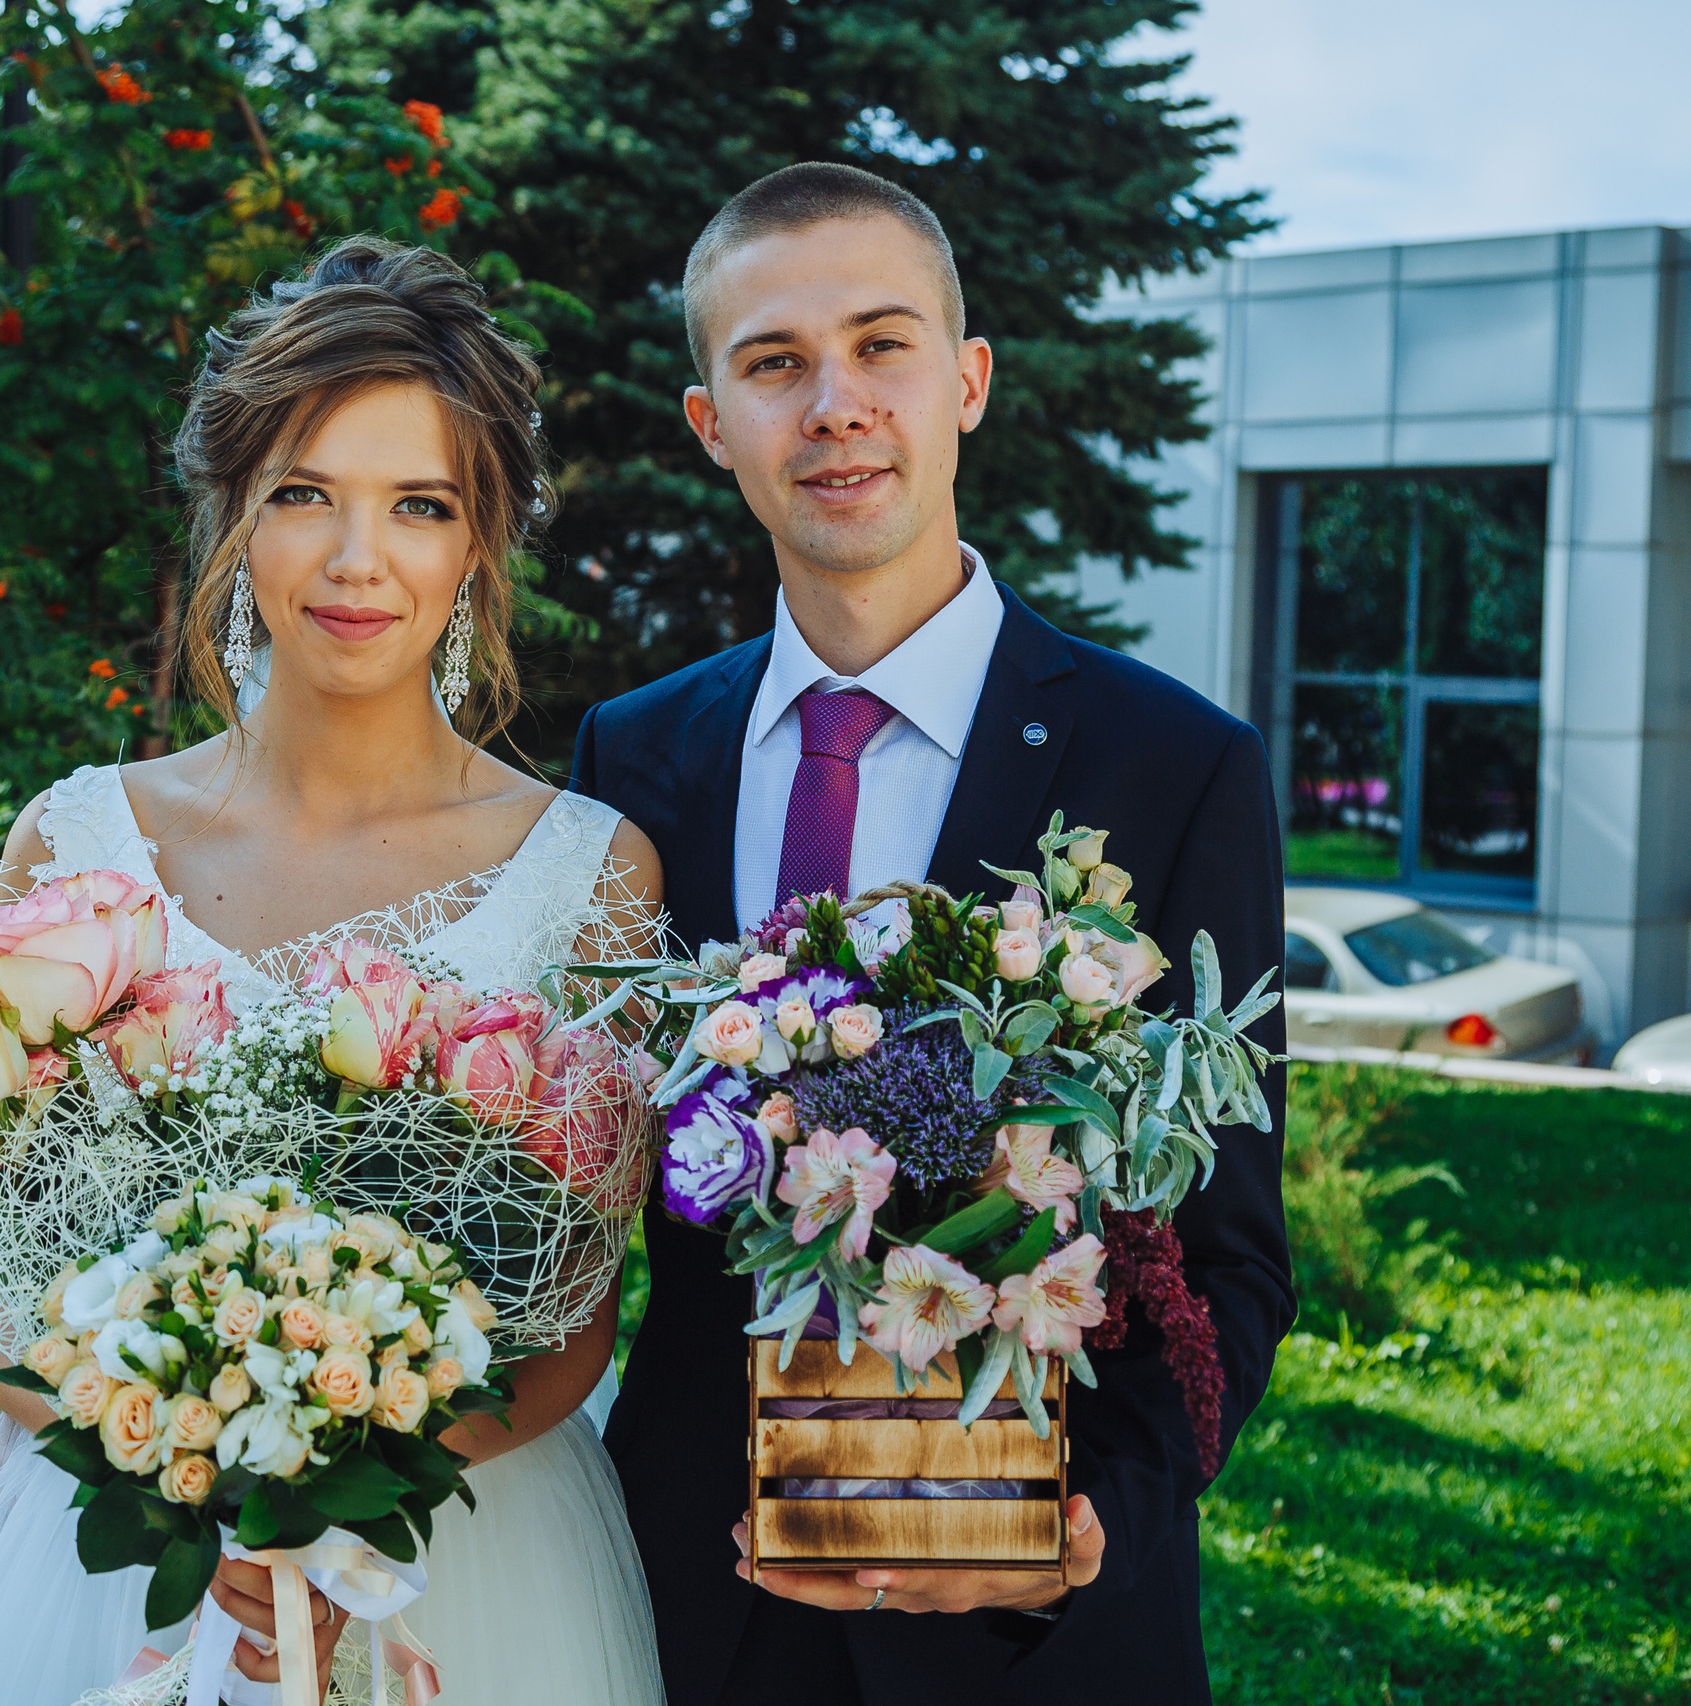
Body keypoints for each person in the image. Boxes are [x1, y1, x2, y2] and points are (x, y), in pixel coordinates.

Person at [0, 238, 669, 1706]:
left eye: (420, 504)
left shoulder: (591, 875)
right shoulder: (79, 848)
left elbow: (578, 1322)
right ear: (232, 514)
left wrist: (334, 1504)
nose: (357, 560)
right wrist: (181, 1471)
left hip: (459, 1561)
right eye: (302, 494)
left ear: (479, 544)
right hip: (118, 1560)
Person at [571, 163, 1296, 1705]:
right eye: (774, 362)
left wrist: (1083, 1527)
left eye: (880, 345)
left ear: (965, 382)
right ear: (712, 424)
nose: (834, 403)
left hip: (1029, 1631)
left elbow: (1229, 1257)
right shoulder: (632, 760)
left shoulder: (1176, 766)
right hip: (697, 1613)